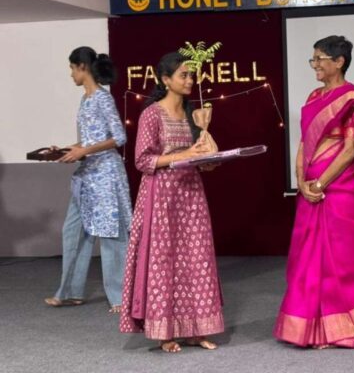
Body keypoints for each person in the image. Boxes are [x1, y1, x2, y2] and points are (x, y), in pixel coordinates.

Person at [274, 35, 354, 349]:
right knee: (307, 261)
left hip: (341, 191)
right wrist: (301, 181)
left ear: (339, 62)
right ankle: (306, 330)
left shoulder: (351, 97)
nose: (315, 65)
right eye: (313, 59)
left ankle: (341, 332)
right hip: (310, 191)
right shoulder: (313, 96)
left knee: (342, 262)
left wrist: (321, 183)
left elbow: (351, 149)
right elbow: (304, 142)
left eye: (319, 59)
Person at [119, 52, 224, 353]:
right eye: (183, 75)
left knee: (197, 259)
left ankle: (195, 330)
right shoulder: (152, 114)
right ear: (166, 79)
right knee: (164, 262)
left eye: (192, 75)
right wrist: (184, 155)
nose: (190, 80)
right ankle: (165, 333)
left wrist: (208, 159)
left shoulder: (193, 113)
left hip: (191, 194)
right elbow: (142, 160)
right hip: (161, 197)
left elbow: (199, 155)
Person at [45, 46, 132, 314]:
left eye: (72, 68)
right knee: (73, 231)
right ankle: (70, 292)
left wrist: (84, 151)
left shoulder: (103, 98)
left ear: (82, 67)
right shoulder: (85, 100)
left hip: (106, 176)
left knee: (111, 235)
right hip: (87, 176)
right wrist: (67, 150)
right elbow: (88, 141)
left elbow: (119, 137)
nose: (71, 74)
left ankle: (120, 297)